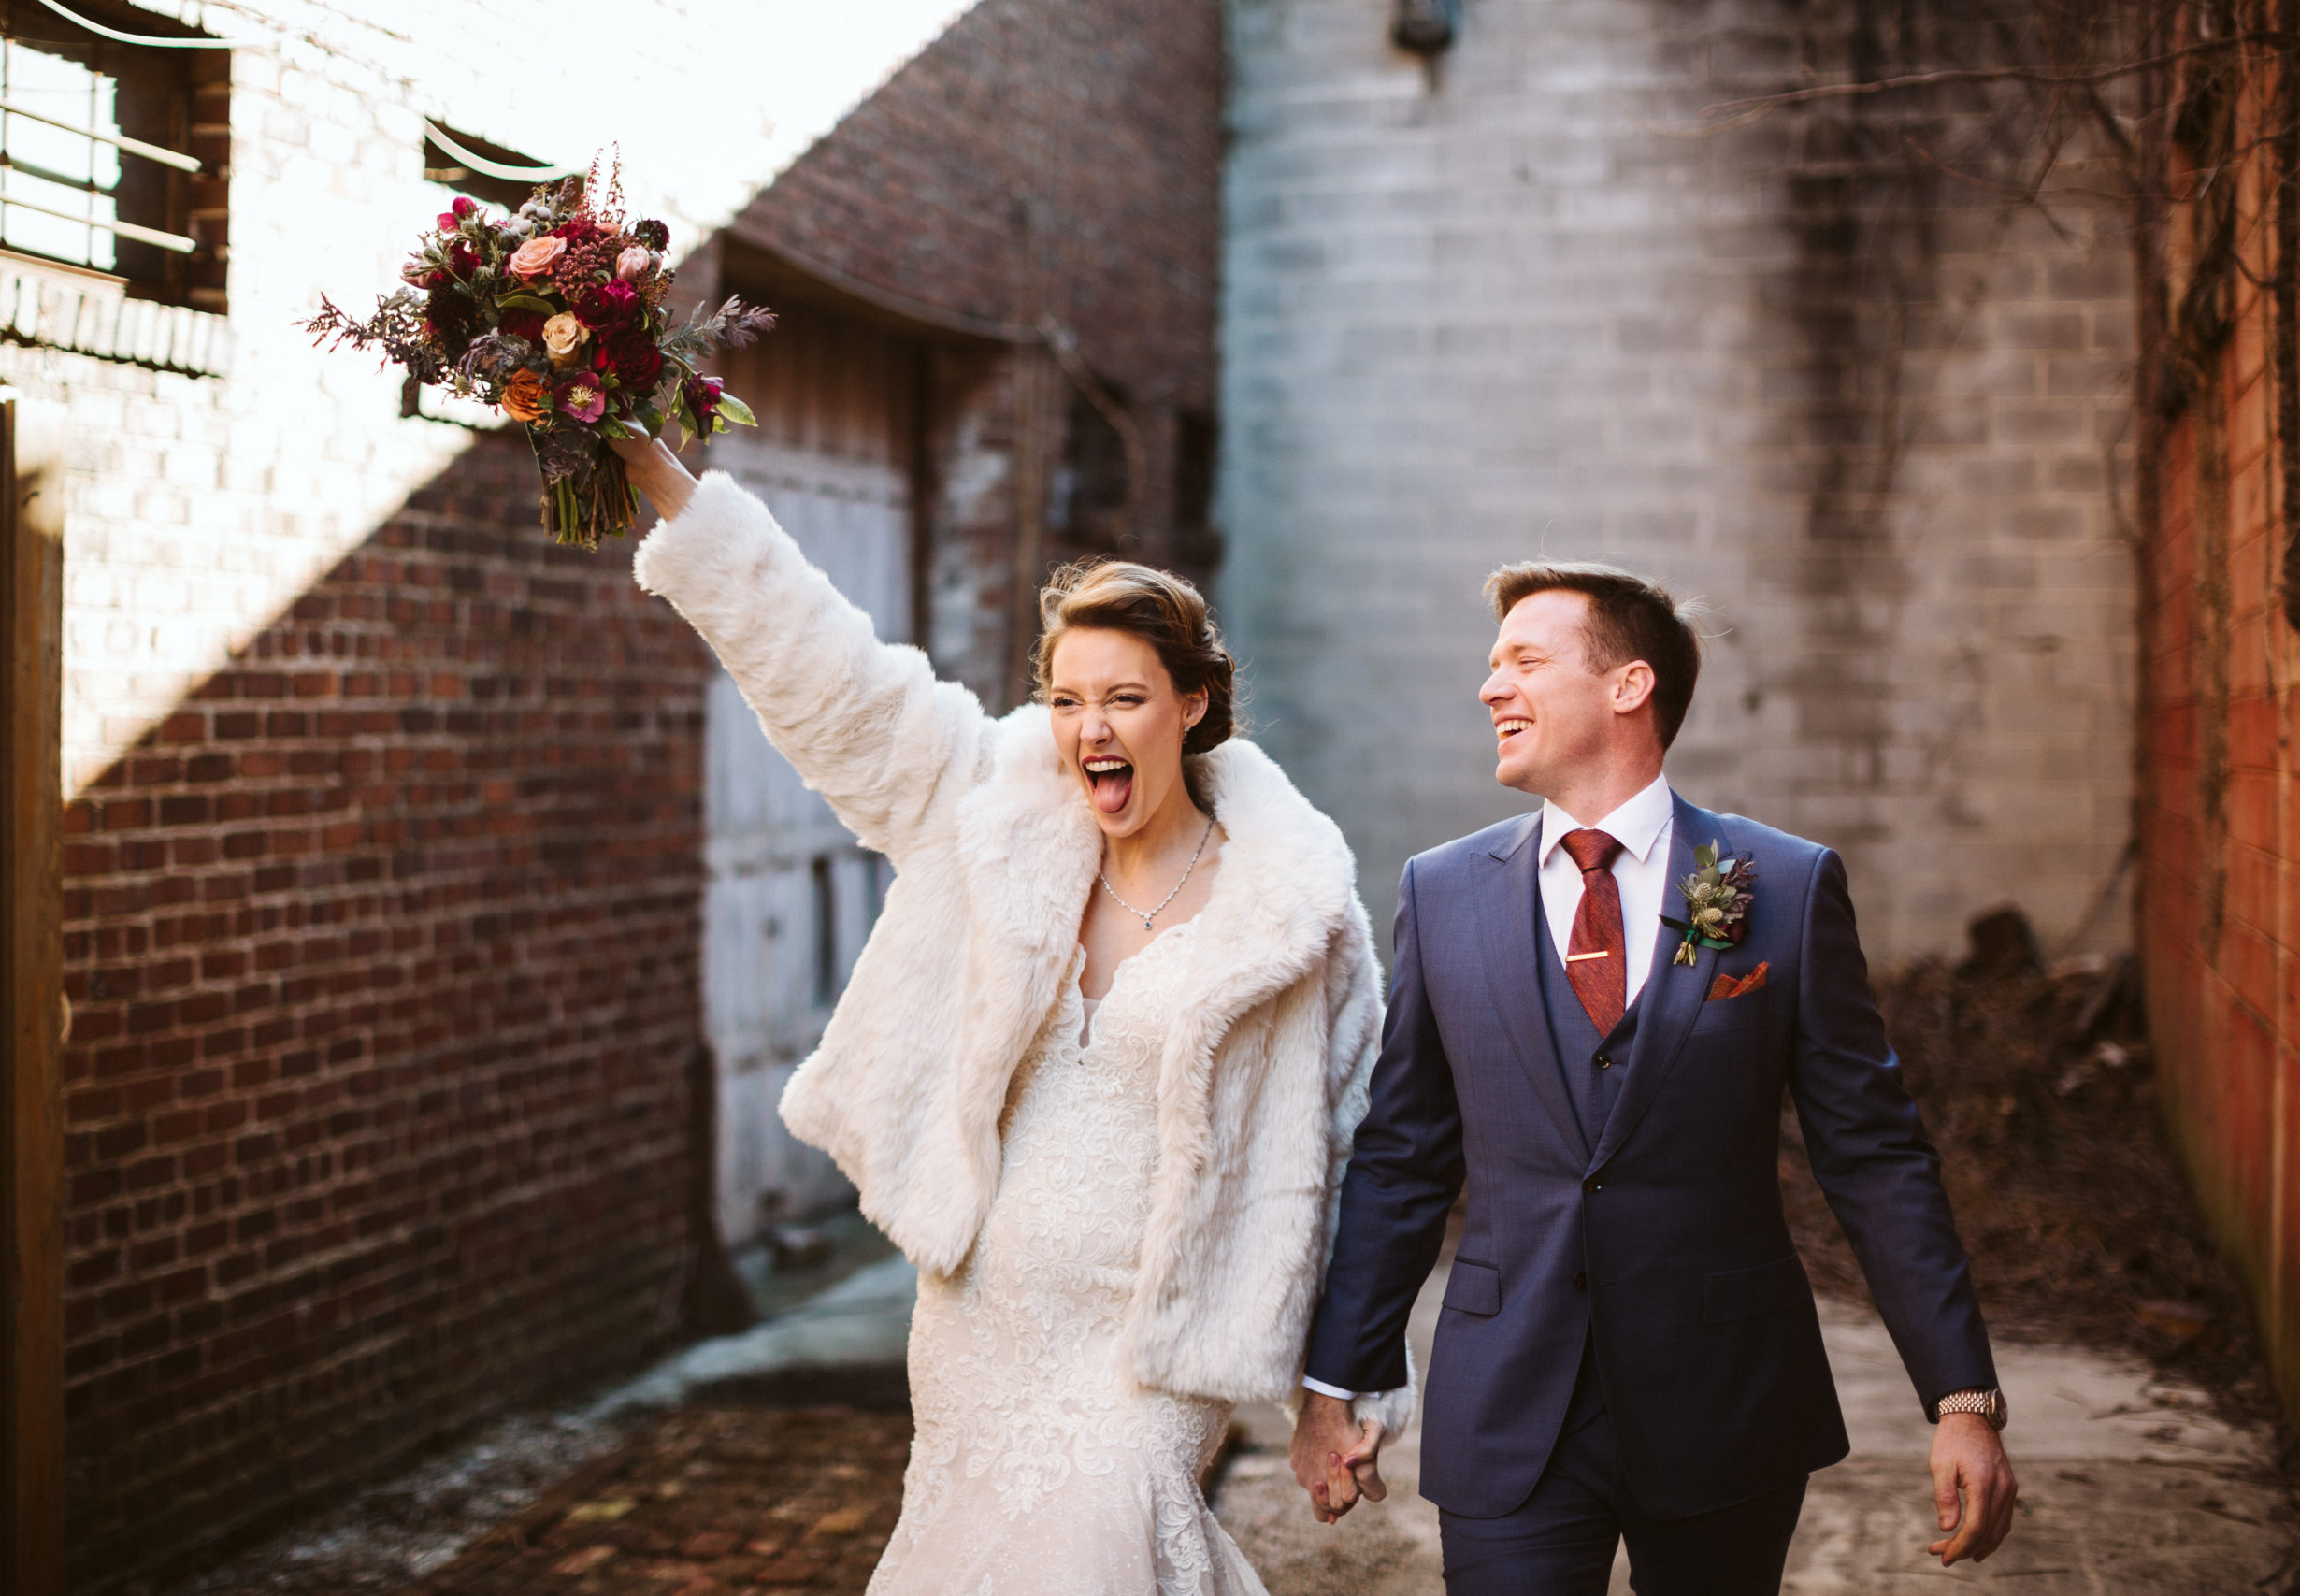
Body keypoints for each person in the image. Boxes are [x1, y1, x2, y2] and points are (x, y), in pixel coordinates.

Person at [610, 437, 1391, 1596]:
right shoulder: (996, 813)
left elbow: (1356, 1156)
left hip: (1152, 1350)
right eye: (1067, 699)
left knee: (1100, 1548)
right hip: (982, 1319)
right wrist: (653, 466)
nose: (1091, 730)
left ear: (1193, 704)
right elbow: (828, 673)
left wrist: (1343, 1394)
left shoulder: (1295, 916)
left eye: (1125, 698)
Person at [1289, 561, 2017, 1595]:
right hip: (1510, 1411)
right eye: (1491, 667)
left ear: (1628, 686)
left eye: (1524, 663)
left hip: (1724, 1403)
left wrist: (1960, 1398)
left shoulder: (1782, 886)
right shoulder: (1439, 892)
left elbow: (1874, 1158)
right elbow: (1403, 1159)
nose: (1490, 688)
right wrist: (1334, 1383)